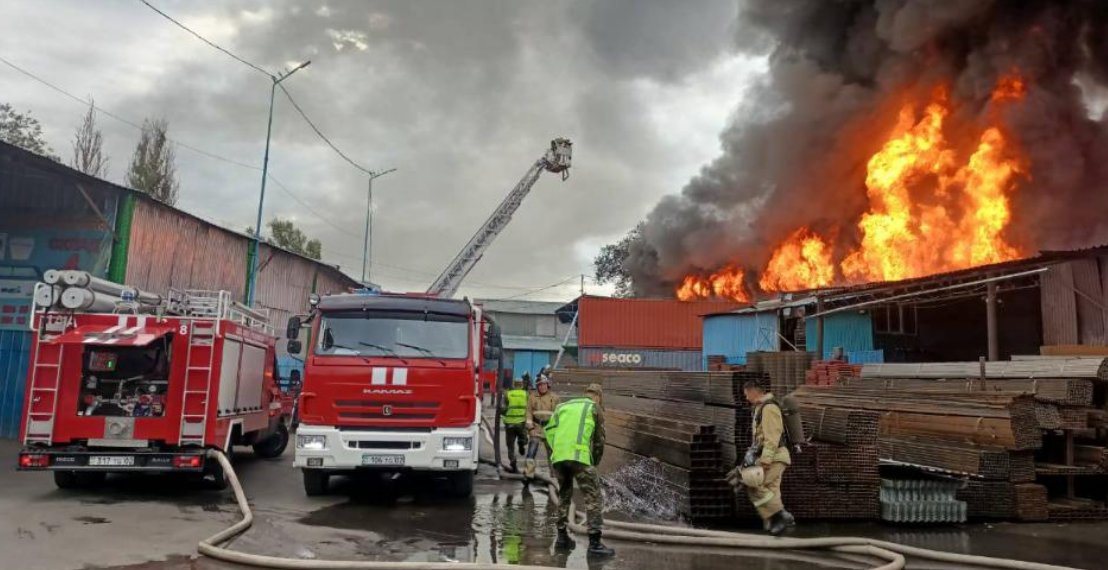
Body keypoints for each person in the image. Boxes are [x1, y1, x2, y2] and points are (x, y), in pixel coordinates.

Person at [545, 383, 614, 558]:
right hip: (579, 459)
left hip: (559, 458)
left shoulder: (563, 406)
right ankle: (595, 545)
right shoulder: (594, 407)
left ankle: (561, 539)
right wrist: (594, 463)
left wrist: (558, 451)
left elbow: (549, 430)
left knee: (564, 495)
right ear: (597, 397)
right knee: (593, 498)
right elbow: (599, 441)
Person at [738, 379, 795, 535]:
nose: (746, 398)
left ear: (753, 391)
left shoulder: (769, 408)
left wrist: (765, 461)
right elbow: (759, 439)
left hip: (776, 457)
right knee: (771, 491)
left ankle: (781, 517)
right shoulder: (759, 408)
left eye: (746, 394)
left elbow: (772, 437)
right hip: (773, 456)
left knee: (753, 484)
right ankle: (775, 529)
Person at [523, 374, 561, 481]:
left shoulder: (555, 398)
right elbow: (528, 413)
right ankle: (528, 475)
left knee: (553, 455)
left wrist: (558, 429)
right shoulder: (532, 397)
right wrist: (530, 428)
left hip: (550, 429)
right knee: (531, 451)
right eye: (540, 385)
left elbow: (559, 415)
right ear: (537, 386)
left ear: (548, 385)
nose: (542, 387)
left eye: (544, 384)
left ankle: (554, 477)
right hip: (536, 428)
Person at [501, 377, 529, 472]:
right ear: (521, 385)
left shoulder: (508, 394)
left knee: (510, 446)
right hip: (521, 423)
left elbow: (502, 409)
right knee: (524, 439)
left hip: (509, 424)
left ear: (514, 384)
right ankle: (521, 444)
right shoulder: (526, 394)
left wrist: (505, 415)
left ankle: (513, 464)